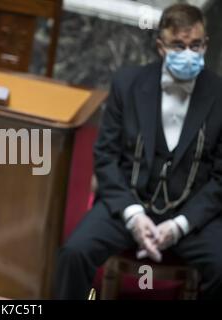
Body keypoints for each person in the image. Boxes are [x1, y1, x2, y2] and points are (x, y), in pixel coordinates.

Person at [55, 4, 222, 299]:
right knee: (74, 252)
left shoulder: (219, 95)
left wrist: (180, 225)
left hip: (190, 214)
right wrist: (133, 216)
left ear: (205, 44)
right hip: (129, 203)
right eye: (178, 46)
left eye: (196, 45)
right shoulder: (128, 84)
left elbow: (220, 179)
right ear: (161, 47)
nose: (188, 54)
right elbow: (105, 157)